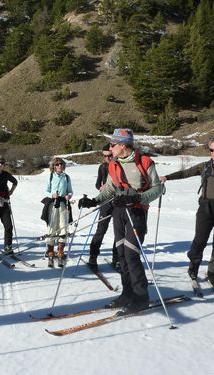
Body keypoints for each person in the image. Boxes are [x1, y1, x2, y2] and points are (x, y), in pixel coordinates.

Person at [78, 129, 162, 312]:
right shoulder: (113, 164)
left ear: (123, 145)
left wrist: (137, 198)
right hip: (119, 211)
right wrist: (93, 201)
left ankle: (141, 297)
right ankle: (127, 293)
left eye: (113, 144)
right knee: (121, 254)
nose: (110, 148)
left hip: (136, 212)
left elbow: (157, 189)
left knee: (132, 254)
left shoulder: (145, 162)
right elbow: (109, 189)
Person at [160, 136, 214, 286]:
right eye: (211, 150)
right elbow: (185, 173)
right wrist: (167, 177)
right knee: (199, 241)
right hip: (205, 209)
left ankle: (213, 273)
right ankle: (193, 268)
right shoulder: (205, 166)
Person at [88, 145, 118, 271]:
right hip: (105, 202)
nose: (107, 158)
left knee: (119, 232)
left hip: (118, 201)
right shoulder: (102, 167)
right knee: (101, 229)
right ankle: (93, 256)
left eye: (109, 155)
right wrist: (101, 187)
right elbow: (97, 184)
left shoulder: (119, 166)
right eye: (105, 156)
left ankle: (117, 258)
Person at [42, 157, 73, 268]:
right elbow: (45, 190)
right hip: (52, 205)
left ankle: (60, 254)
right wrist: (52, 194)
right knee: (52, 229)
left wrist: (69, 195)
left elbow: (70, 190)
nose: (59, 166)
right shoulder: (50, 176)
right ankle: (50, 254)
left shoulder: (67, 177)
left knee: (63, 229)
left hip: (63, 205)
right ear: (54, 166)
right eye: (57, 164)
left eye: (61, 164)